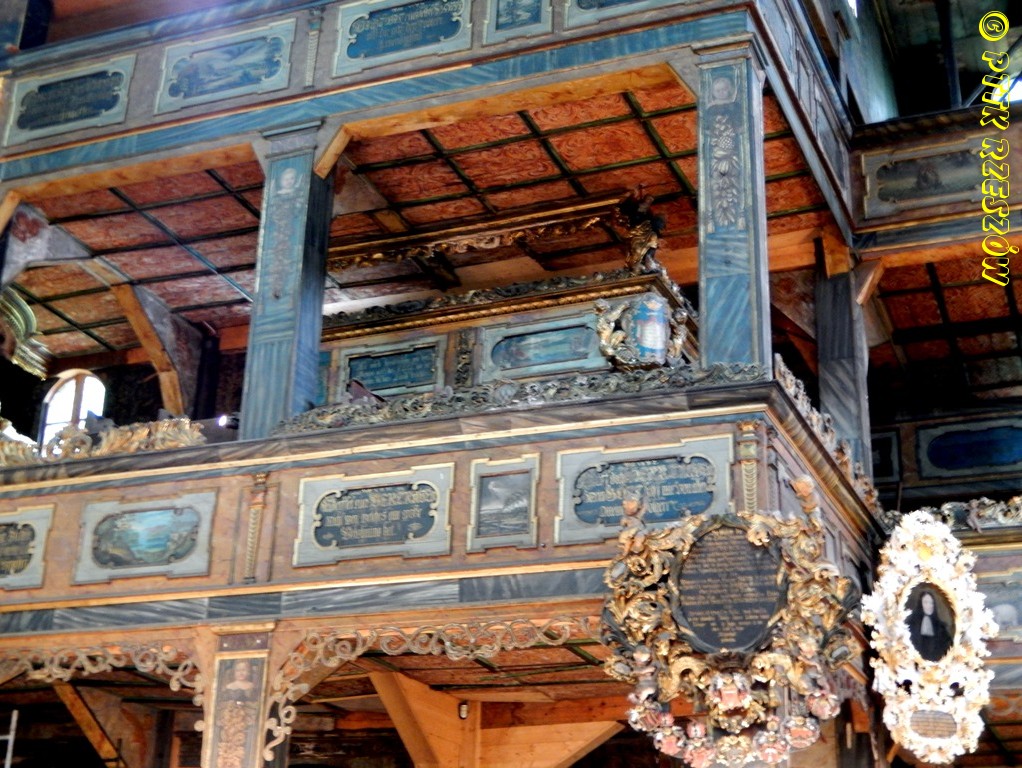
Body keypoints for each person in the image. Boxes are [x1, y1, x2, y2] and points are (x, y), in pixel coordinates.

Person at [907, 587, 953, 662]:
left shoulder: (940, 627)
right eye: (926, 602)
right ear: (920, 604)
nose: (929, 606)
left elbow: (948, 647)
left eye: (931, 603)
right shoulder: (911, 624)